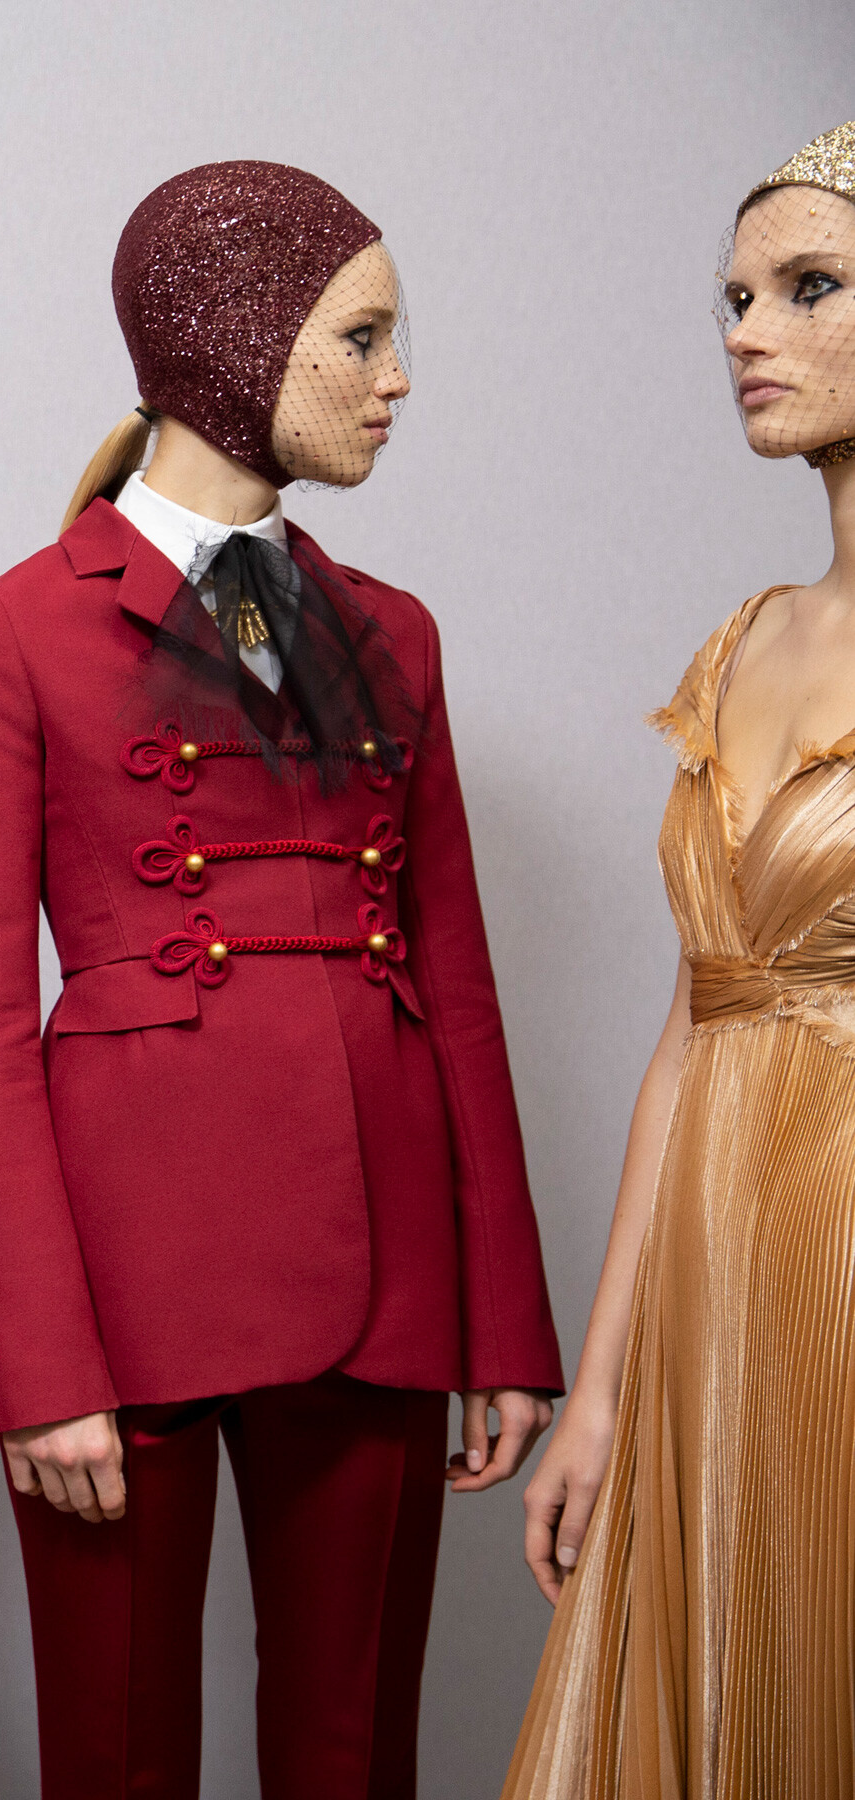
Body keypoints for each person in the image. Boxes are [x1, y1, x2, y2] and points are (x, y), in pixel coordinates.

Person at [0, 161, 562, 1798]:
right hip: (125, 1276)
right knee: (117, 1757)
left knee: (355, 1757)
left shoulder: (393, 631)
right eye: (363, 337)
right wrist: (36, 1358)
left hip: (387, 1261)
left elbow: (459, 987)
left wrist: (504, 1319)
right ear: (235, 334)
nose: (397, 379)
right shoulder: (19, 626)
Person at [503, 120, 855, 1798]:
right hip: (713, 1260)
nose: (745, 332)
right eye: (734, 298)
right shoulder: (742, 642)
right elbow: (687, 1028)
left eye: (809, 287)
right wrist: (602, 1391)